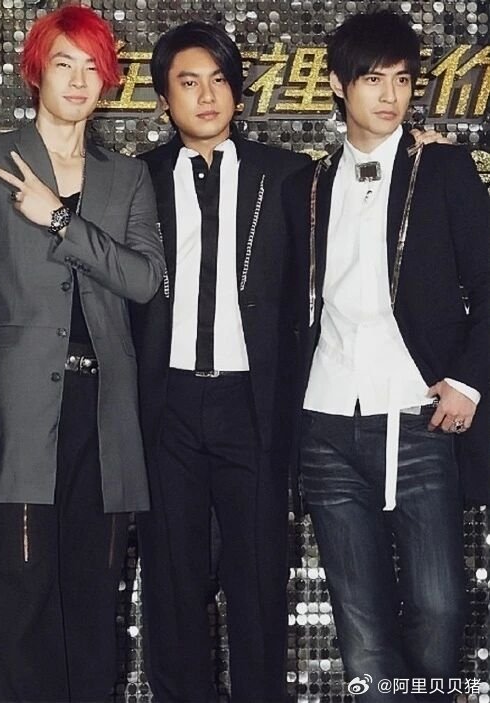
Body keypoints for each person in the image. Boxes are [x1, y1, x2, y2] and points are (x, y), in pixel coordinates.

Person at [0, 5, 164, 702]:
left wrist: (61, 219)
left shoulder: (127, 177)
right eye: (65, 63)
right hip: (15, 409)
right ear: (37, 71)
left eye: (93, 66)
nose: (79, 79)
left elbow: (145, 280)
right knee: (17, 595)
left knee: (94, 599)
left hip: (104, 412)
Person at [283, 10, 489, 702]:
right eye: (373, 80)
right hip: (327, 424)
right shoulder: (308, 185)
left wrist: (467, 381)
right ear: (339, 86)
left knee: (439, 607)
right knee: (362, 628)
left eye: (402, 80)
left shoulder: (443, 168)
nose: (390, 95)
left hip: (420, 417)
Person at [129, 21, 309, 703]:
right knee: (171, 585)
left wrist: (420, 150)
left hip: (252, 404)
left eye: (219, 80)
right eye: (188, 82)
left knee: (258, 583)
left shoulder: (288, 175)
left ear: (237, 92)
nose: (206, 96)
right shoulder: (136, 178)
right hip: (166, 405)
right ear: (164, 99)